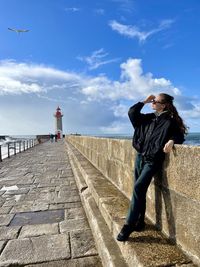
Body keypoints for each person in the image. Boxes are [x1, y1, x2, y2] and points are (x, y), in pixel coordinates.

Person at [117, 93, 187, 242]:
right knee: (139, 189)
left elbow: (180, 135)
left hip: (153, 160)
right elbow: (132, 113)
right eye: (153, 101)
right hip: (140, 157)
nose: (153, 103)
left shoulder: (170, 121)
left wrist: (172, 140)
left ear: (164, 105)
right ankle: (139, 221)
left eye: (155, 101)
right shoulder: (148, 118)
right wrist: (144, 101)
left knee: (138, 188)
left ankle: (128, 225)